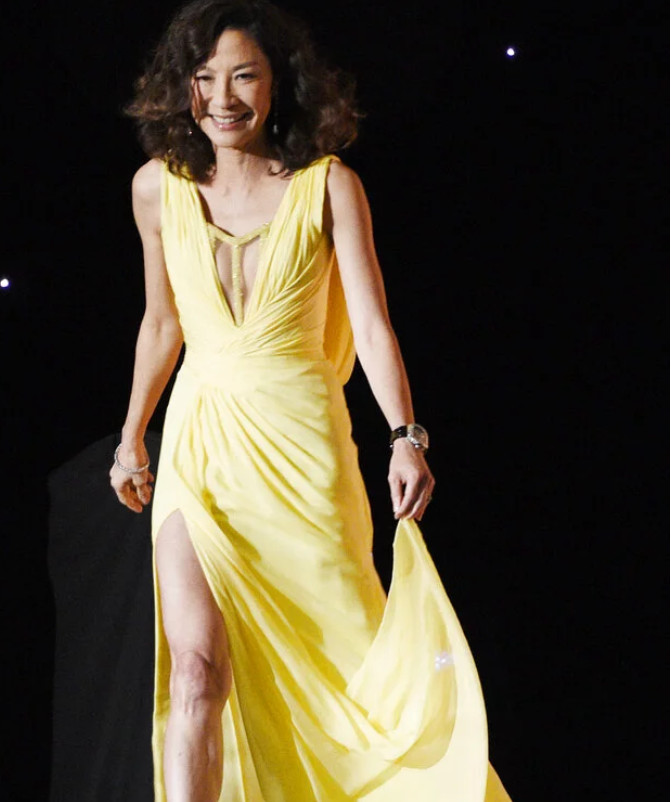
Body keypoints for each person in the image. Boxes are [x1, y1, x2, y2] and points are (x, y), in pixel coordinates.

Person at [110, 1, 512, 800]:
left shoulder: (330, 188)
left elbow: (371, 323)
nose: (222, 98)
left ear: (279, 85)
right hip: (198, 446)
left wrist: (405, 435)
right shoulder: (155, 188)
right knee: (195, 672)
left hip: (300, 447)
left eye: (244, 76)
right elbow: (161, 324)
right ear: (182, 87)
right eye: (203, 78)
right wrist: (132, 436)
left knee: (346, 662)